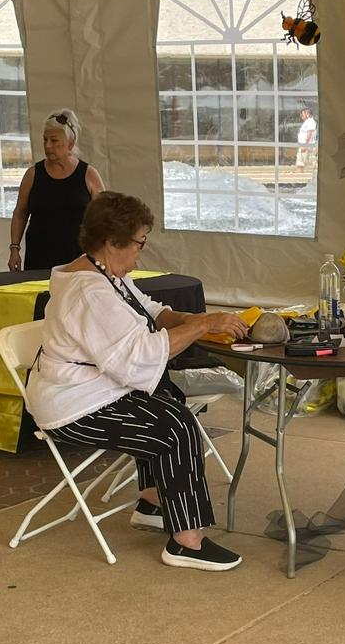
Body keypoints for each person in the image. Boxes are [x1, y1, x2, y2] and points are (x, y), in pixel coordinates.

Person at [25, 191, 249, 571]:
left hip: (90, 387)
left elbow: (151, 311)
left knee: (166, 395)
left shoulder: (102, 271)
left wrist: (197, 319)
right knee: (174, 426)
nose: (139, 254)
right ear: (112, 242)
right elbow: (139, 357)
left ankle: (151, 501)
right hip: (71, 404)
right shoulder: (89, 290)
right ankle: (186, 542)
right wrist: (203, 326)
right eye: (138, 244)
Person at [8, 109, 105, 272]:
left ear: (70, 143)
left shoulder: (89, 175)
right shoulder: (33, 174)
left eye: (54, 141)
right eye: (45, 140)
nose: (47, 146)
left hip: (78, 260)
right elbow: (20, 213)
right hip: (38, 258)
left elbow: (104, 218)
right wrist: (14, 248)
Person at [295, 107, 318, 172]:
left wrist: (305, 145)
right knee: (311, 159)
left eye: (302, 113)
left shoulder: (310, 122)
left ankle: (299, 171)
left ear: (307, 114)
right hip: (307, 145)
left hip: (306, 145)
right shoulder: (308, 122)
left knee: (301, 159)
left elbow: (309, 134)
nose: (301, 115)